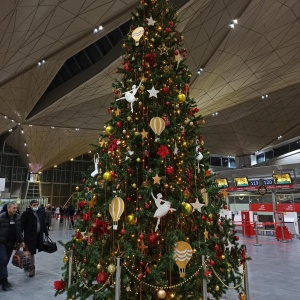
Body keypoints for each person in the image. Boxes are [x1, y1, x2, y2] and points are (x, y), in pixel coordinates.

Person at [0, 202, 24, 291]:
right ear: (8, 208)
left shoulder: (17, 217)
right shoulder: (1, 217)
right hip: (1, 243)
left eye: (16, 208)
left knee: (5, 262)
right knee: (2, 260)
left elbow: (19, 230)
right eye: (13, 208)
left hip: (11, 243)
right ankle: (4, 281)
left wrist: (21, 241)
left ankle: (1, 278)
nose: (15, 210)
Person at [21, 199, 48, 277]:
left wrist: (46, 233)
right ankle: (31, 268)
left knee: (30, 252)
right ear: (30, 206)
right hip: (29, 237)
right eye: (34, 205)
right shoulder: (26, 214)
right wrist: (20, 238)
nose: (36, 206)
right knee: (30, 252)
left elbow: (43, 224)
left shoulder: (41, 213)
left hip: (38, 236)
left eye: (37, 205)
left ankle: (28, 266)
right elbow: (21, 226)